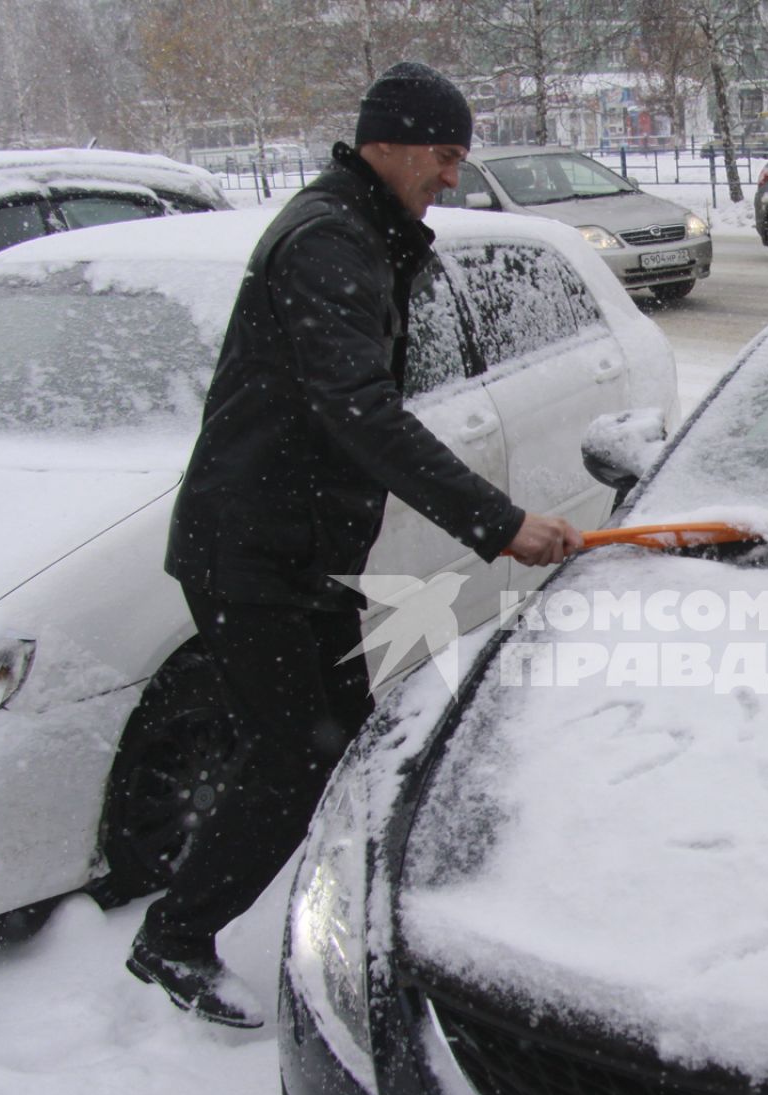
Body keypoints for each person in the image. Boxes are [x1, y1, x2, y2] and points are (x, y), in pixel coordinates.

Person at [127, 62, 582, 1027]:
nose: (453, 178)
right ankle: (173, 936)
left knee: (350, 742)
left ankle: (352, 901)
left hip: (296, 547)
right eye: (446, 156)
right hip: (250, 554)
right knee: (295, 753)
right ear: (392, 141)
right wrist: (499, 524)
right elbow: (359, 413)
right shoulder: (332, 239)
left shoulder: (358, 228)